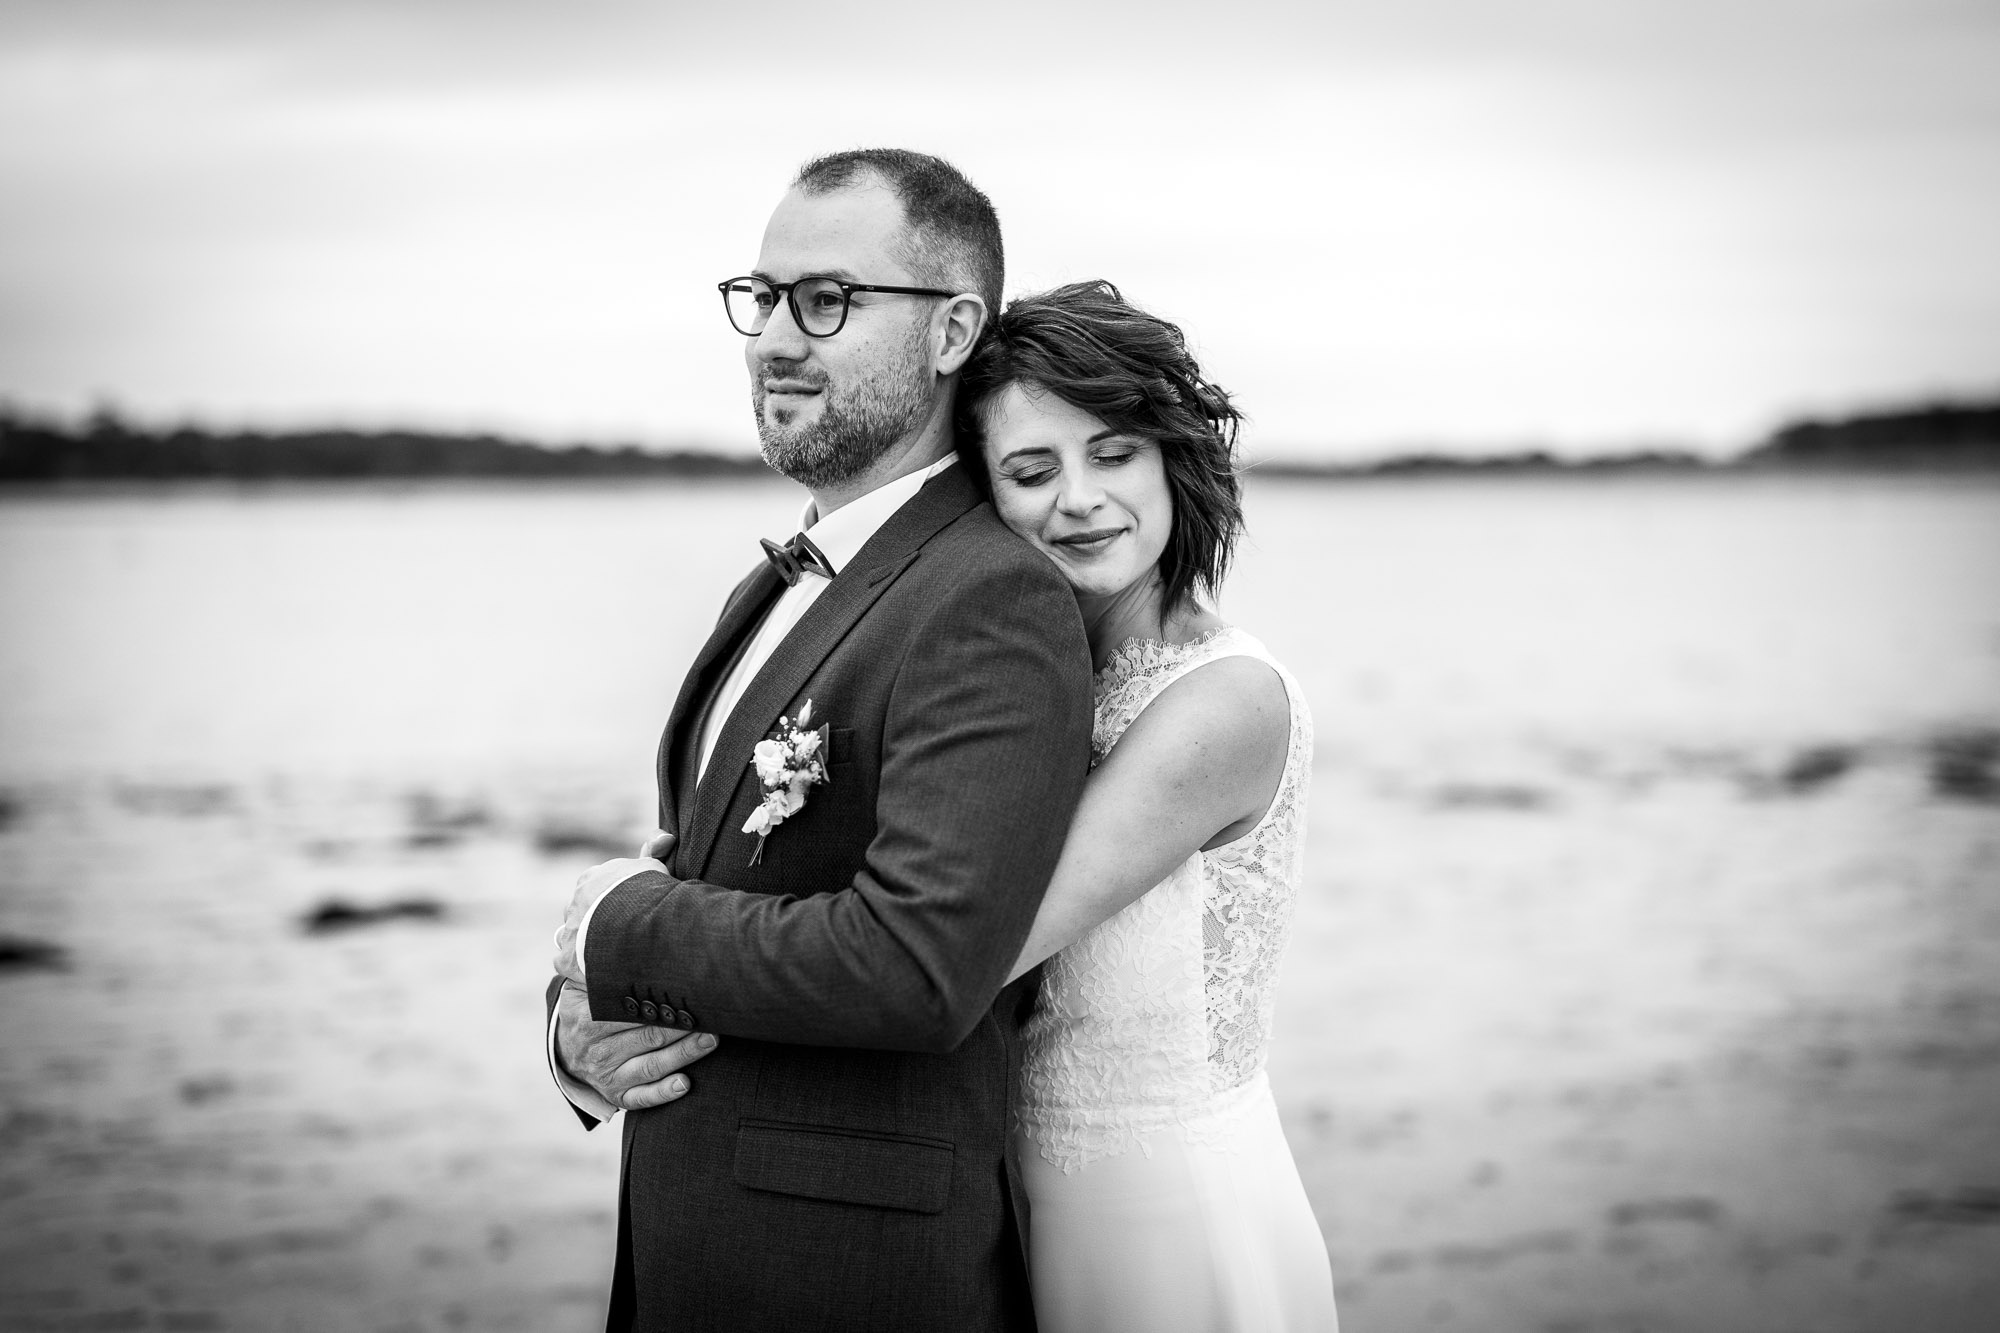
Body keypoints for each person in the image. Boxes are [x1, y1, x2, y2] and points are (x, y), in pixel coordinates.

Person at [544, 149, 1095, 1331]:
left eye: (827, 300)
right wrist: (578, 1029)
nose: (775, 338)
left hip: (854, 1281)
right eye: (762, 296)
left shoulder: (989, 599)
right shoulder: (783, 583)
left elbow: (917, 966)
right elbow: (708, 868)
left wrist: (613, 926)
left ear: (951, 330)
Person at [957, 280, 1339, 1330]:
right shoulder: (1039, 685)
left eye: (1114, 452)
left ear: (1174, 457)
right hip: (1025, 1207)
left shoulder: (1222, 702)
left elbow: (969, 946)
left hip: (1169, 1215)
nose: (1078, 497)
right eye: (1031, 471)